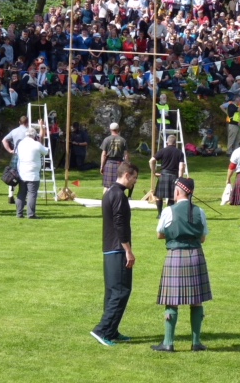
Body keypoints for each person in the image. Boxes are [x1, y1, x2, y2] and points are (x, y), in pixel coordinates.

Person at [152, 177, 212, 352]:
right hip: (196, 256)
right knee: (197, 301)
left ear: (178, 191)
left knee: (171, 301)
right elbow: (202, 238)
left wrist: (174, 235)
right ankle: (196, 343)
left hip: (175, 255)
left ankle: (168, 343)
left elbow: (159, 234)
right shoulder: (200, 211)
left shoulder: (168, 211)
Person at [90, 162, 138, 346]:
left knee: (112, 292)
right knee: (121, 291)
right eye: (134, 178)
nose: (135, 182)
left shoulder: (109, 193)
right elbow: (119, 224)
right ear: (126, 175)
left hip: (109, 248)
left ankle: (112, 330)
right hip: (118, 249)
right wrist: (128, 250)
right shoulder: (119, 195)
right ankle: (102, 330)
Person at [16, 121, 49, 219]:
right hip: (33, 173)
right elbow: (46, 152)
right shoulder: (37, 144)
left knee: (21, 193)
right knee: (32, 194)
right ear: (34, 135)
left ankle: (19, 213)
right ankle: (31, 214)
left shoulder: (20, 144)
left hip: (22, 172)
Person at [150, 135, 186, 218]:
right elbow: (181, 167)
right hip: (174, 176)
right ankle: (170, 214)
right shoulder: (179, 152)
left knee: (159, 196)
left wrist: (154, 171)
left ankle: (159, 214)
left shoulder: (163, 151)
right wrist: (180, 178)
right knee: (172, 197)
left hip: (163, 175)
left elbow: (151, 160)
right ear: (175, 143)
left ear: (167, 142)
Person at [2, 116, 30, 204]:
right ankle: (22, 198)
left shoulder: (14, 131)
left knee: (13, 174)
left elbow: (4, 140)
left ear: (19, 122)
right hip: (26, 156)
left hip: (16, 154)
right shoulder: (29, 131)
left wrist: (10, 150)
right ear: (27, 122)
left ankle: (11, 195)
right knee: (24, 176)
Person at [100, 122, 129, 194]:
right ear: (118, 129)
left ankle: (105, 203)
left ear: (110, 129)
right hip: (119, 163)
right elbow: (126, 155)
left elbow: (104, 154)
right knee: (120, 184)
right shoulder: (123, 140)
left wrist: (102, 166)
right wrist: (127, 166)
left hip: (109, 163)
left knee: (107, 186)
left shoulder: (106, 140)